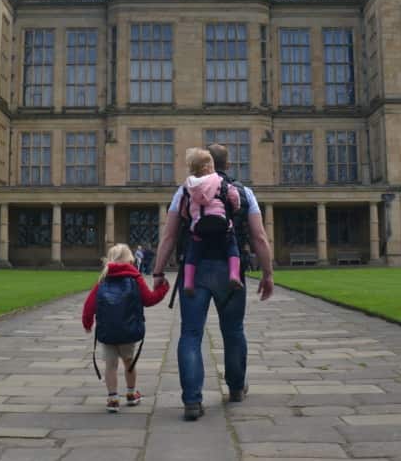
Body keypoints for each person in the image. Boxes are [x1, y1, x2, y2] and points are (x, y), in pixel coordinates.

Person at [152, 142, 274, 421]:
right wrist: (267, 274)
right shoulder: (244, 192)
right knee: (233, 331)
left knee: (190, 335)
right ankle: (235, 388)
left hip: (194, 269)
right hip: (230, 268)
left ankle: (192, 401)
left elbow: (169, 236)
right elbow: (259, 237)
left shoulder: (184, 190)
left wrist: (158, 272)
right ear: (227, 165)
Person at [82, 243, 169, 413]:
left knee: (110, 365)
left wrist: (87, 323)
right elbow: (149, 299)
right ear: (130, 259)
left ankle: (113, 398)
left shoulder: (103, 280)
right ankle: (131, 394)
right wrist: (163, 289)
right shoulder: (135, 278)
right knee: (129, 363)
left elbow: (89, 305)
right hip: (128, 331)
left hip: (107, 332)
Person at [179, 147, 242, 296]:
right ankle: (234, 274)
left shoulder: (188, 186)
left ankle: (188, 282)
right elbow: (234, 197)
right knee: (232, 247)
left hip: (198, 227)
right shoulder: (221, 181)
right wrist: (236, 207)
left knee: (192, 253)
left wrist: (188, 217)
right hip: (222, 226)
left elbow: (183, 209)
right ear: (208, 167)